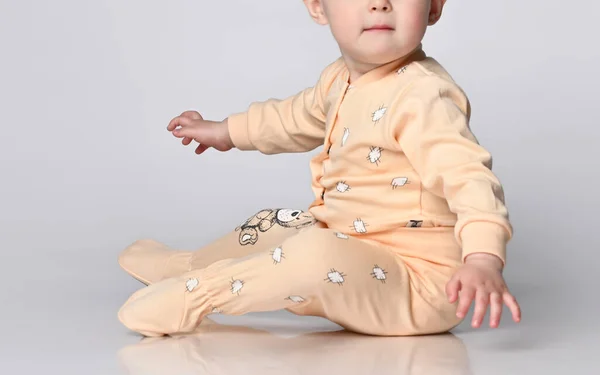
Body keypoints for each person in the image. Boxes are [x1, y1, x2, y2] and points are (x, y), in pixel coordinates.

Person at [117, 0, 521, 337]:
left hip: (419, 285)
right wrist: (226, 131)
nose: (380, 3)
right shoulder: (340, 79)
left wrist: (483, 258)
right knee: (279, 222)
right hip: (353, 249)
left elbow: (468, 175)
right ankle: (190, 265)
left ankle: (198, 295)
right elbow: (293, 118)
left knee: (312, 253)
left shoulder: (422, 96)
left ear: (433, 7)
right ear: (317, 5)